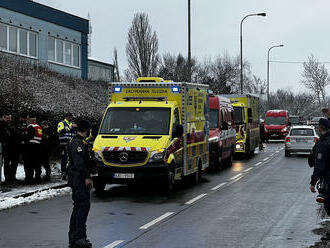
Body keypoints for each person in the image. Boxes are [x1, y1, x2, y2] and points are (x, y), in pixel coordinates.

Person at [67, 120, 93, 248]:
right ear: (85, 129)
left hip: (77, 179)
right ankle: (79, 237)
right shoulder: (77, 143)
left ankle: (74, 238)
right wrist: (86, 177)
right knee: (82, 208)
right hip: (79, 180)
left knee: (77, 208)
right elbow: (79, 163)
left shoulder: (77, 141)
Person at [310, 118, 330, 203]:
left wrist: (313, 182)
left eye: (319, 127)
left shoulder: (323, 143)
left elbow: (319, 164)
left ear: (321, 128)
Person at [1, 114, 20, 184]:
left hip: (14, 148)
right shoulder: (2, 126)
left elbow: (17, 135)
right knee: (6, 164)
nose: (8, 119)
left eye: (9, 118)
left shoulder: (13, 125)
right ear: (4, 118)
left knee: (14, 164)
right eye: (7, 118)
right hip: (6, 148)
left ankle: (12, 177)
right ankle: (7, 179)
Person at [58, 113, 76, 180]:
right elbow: (60, 131)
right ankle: (63, 173)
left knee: (72, 159)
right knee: (64, 158)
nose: (71, 118)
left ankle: (71, 172)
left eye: (71, 117)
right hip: (64, 144)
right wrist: (69, 128)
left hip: (72, 144)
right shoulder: (62, 123)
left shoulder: (73, 124)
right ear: (66, 117)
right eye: (69, 117)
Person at [25, 115, 42, 184]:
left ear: (30, 120)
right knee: (37, 165)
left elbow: (28, 137)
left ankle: (30, 179)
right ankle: (38, 178)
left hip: (31, 148)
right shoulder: (39, 127)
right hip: (38, 147)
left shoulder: (30, 127)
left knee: (30, 165)